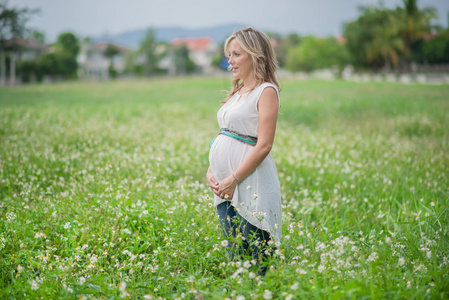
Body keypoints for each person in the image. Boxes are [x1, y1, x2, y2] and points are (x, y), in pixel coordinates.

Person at [206, 27, 282, 276]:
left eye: (236, 54)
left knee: (257, 251)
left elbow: (264, 145)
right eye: (229, 54)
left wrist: (234, 178)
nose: (230, 61)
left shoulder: (266, 91)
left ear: (254, 55)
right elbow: (225, 133)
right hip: (224, 184)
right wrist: (212, 170)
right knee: (235, 252)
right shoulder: (237, 92)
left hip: (249, 181)